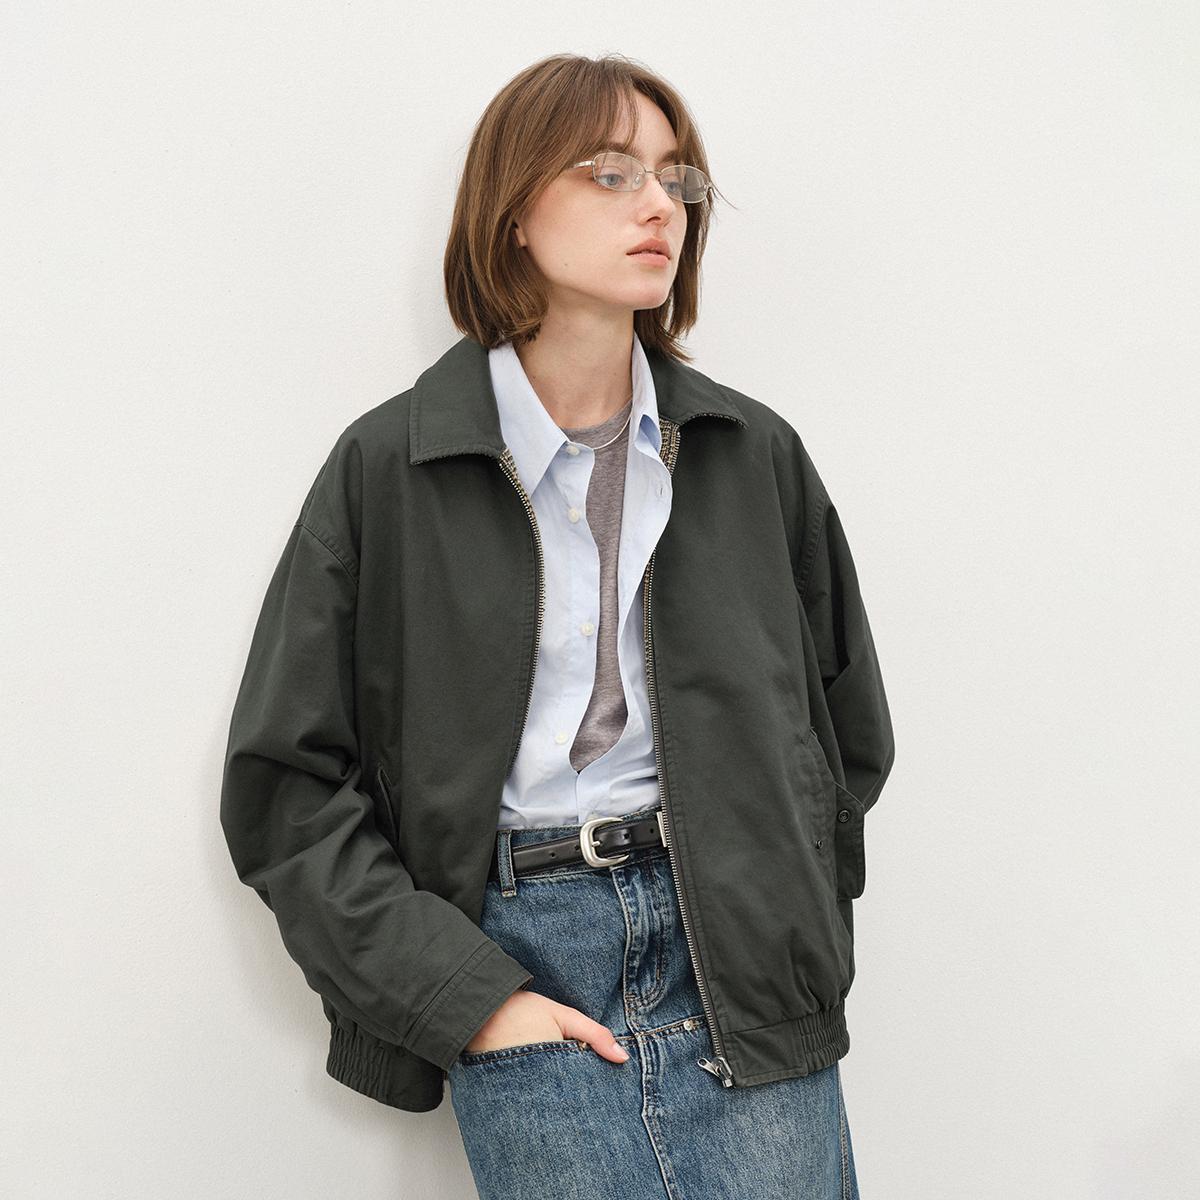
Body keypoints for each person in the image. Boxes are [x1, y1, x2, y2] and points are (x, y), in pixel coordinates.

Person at [220, 51, 894, 1200]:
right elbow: (285, 786)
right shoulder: (389, 469)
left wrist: (787, 915)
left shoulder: (751, 455)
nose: (659, 205)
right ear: (514, 211)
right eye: (611, 172)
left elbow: (845, 737)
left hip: (741, 963)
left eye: (677, 179)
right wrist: (466, 998)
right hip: (522, 952)